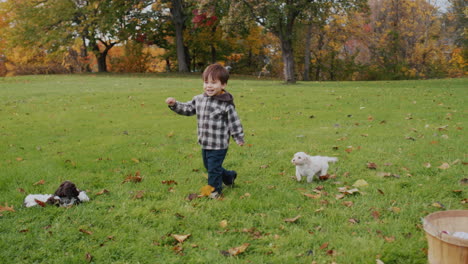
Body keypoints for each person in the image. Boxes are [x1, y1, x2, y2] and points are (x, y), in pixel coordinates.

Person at [165, 64, 244, 199]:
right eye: (206, 82)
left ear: (223, 85)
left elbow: (234, 121)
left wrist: (238, 137)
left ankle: (214, 191)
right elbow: (188, 109)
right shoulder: (199, 100)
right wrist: (174, 105)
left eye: (213, 83)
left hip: (219, 144)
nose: (209, 86)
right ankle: (229, 177)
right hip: (205, 142)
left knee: (213, 169)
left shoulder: (226, 104)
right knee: (210, 166)